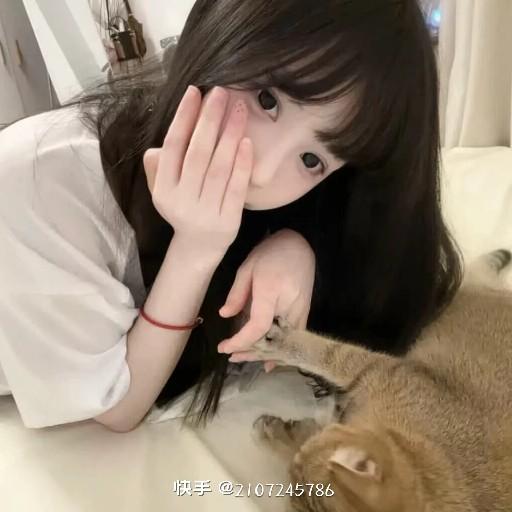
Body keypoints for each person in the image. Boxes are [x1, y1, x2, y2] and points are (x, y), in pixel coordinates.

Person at [0, 0, 462, 432]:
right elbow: (116, 407)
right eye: (267, 100)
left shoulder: (280, 208)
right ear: (221, 32)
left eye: (312, 160)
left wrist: (296, 250)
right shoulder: (39, 180)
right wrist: (196, 249)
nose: (262, 171)